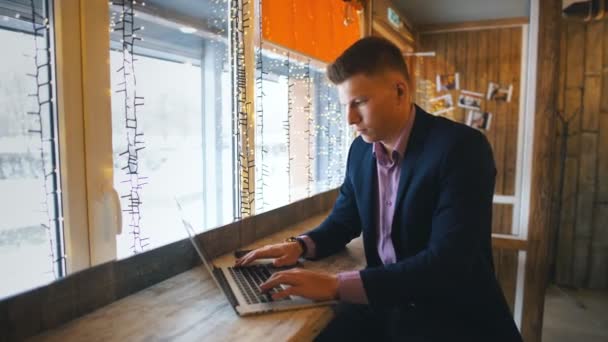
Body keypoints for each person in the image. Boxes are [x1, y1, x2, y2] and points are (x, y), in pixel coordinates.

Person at [235, 36, 522, 341]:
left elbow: (447, 264)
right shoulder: (361, 151)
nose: (350, 119)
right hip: (388, 307)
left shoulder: (461, 148)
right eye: (345, 105)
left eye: (359, 102)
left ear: (400, 91)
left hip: (452, 319)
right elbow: (345, 220)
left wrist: (334, 285)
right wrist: (300, 245)